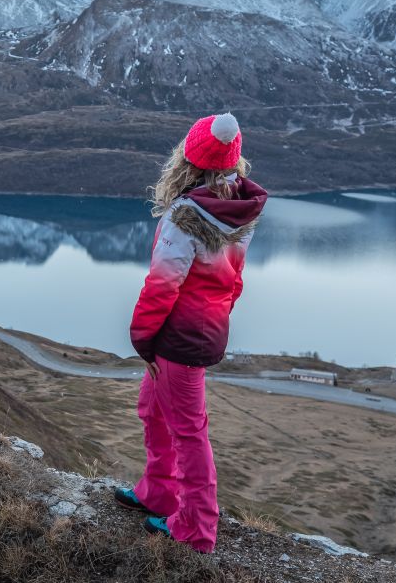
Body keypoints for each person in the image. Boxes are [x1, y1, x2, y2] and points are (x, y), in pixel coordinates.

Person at [112, 112, 268, 554]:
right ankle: (158, 493)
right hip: (203, 330)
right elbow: (233, 281)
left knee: (188, 432)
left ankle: (196, 528)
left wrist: (141, 338)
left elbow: (162, 286)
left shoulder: (187, 215)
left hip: (176, 338)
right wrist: (215, 318)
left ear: (189, 157)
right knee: (152, 409)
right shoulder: (236, 207)